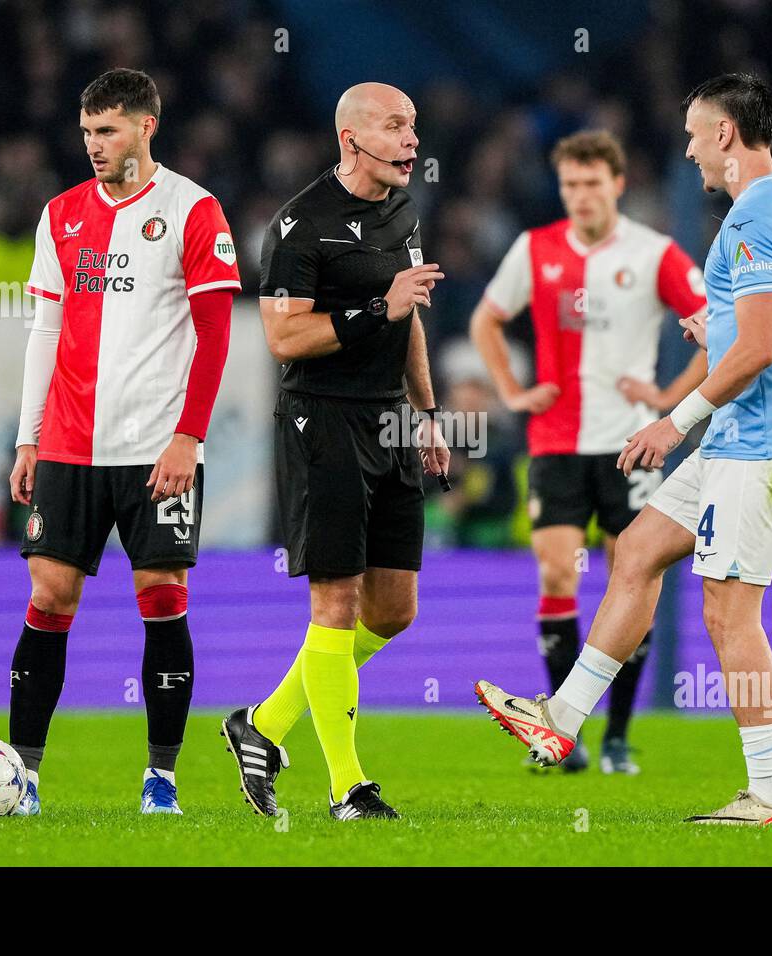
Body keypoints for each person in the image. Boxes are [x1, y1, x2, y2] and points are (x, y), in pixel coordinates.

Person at [476, 73, 772, 826]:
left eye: (695, 132)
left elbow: (762, 348)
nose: (688, 147)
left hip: (759, 443)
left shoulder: (751, 219)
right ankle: (561, 719)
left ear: (726, 135)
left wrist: (676, 419)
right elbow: (769, 330)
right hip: (751, 433)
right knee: (636, 550)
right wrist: (716, 348)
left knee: (730, 615)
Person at [7, 69, 240, 815]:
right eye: (86, 133)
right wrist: (27, 439)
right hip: (69, 446)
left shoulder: (193, 210)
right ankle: (23, 775)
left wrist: (189, 438)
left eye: (107, 131)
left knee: (162, 594)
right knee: (49, 593)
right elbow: (44, 329)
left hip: (155, 452)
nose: (93, 147)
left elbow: (213, 339)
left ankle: (161, 778)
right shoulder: (62, 214)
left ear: (147, 126)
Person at [221, 82, 449, 821]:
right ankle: (348, 788)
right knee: (337, 603)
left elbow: (408, 317)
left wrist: (428, 413)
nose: (413, 140)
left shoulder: (403, 211)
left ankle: (263, 724)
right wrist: (376, 308)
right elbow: (284, 338)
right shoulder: (299, 225)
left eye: (414, 126)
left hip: (388, 421)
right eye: (396, 126)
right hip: (323, 420)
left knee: (394, 609)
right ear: (351, 138)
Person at [468, 130, 708, 774]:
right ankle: (562, 733)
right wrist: (513, 391)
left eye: (591, 183)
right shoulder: (535, 248)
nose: (579, 196)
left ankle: (619, 735)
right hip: (554, 441)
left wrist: (667, 399)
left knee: (632, 580)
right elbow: (486, 320)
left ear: (617, 185)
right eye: (569, 184)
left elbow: (721, 333)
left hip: (630, 444)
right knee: (556, 575)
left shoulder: (654, 253)